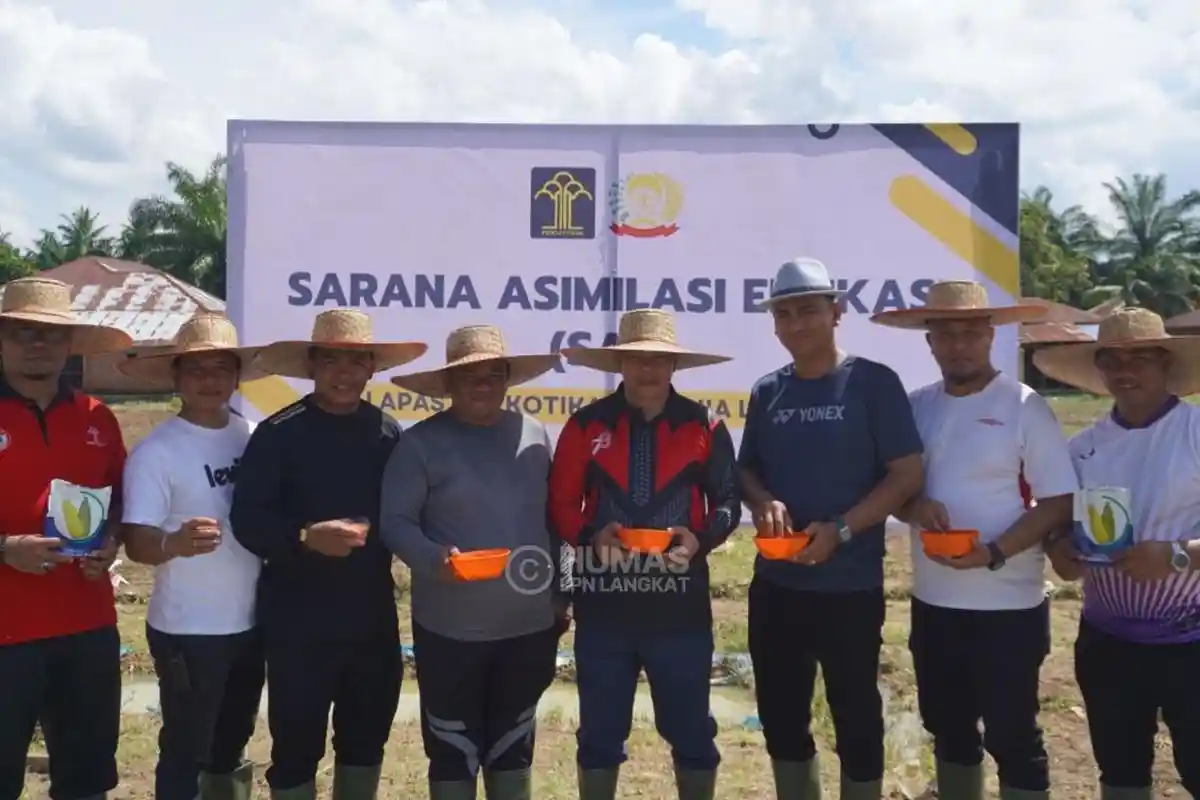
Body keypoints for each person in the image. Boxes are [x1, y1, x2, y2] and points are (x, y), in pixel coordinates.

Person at [871, 281, 1077, 800]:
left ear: (989, 336)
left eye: (969, 333)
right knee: (949, 729)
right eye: (946, 334)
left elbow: (1058, 501)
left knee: (1013, 735)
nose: (958, 345)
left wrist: (995, 553)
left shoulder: (1024, 406)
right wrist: (915, 508)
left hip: (1009, 606)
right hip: (934, 601)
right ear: (929, 342)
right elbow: (893, 491)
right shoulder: (916, 406)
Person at [738, 258, 924, 800]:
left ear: (836, 312)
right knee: (780, 717)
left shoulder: (874, 383)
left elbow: (907, 474)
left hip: (850, 587)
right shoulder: (768, 391)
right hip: (777, 585)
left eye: (809, 310)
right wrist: (763, 501)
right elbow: (746, 470)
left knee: (856, 715)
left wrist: (842, 530)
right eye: (784, 314)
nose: (796, 324)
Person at [229, 309, 427, 800]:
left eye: (356, 361)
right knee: (296, 748)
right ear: (312, 365)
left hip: (371, 618)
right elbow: (247, 519)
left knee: (365, 741)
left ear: (371, 369)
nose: (344, 373)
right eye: (332, 360)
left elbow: (407, 515)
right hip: (298, 621)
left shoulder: (387, 433)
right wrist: (303, 537)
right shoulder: (278, 433)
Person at [548, 308, 740, 800]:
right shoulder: (584, 425)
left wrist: (700, 539)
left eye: (658, 359)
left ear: (675, 364)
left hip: (681, 611)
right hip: (603, 609)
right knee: (598, 737)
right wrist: (592, 539)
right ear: (619, 363)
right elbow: (561, 505)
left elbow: (728, 503)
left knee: (693, 734)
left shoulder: (707, 426)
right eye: (636, 359)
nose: (648, 368)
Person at [380, 324, 566, 800]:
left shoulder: (535, 435)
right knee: (452, 749)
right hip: (450, 631)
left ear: (508, 380)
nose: (482, 385)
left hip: (529, 627)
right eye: (469, 376)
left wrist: (562, 594)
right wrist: (432, 558)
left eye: (493, 374)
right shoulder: (419, 444)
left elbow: (557, 521)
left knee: (513, 747)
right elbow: (395, 523)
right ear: (447, 383)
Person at [1034, 308, 1200, 800]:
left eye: (1140, 358)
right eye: (1112, 359)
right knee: (1121, 773)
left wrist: (1176, 556)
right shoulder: (1082, 448)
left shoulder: (1195, 433)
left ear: (1166, 362)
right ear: (1099, 368)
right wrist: (1058, 548)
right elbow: (1058, 524)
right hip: (1108, 642)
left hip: (1191, 641)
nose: (1125, 370)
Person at [118, 313, 268, 800]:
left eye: (221, 368)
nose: (210, 380)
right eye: (196, 369)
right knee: (187, 748)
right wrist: (172, 544)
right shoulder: (157, 453)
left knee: (233, 741)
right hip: (188, 629)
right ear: (176, 377)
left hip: (251, 623)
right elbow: (137, 542)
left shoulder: (254, 435)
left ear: (237, 376)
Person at [0, 277, 133, 800]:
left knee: (85, 781)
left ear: (70, 344)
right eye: (21, 332)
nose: (37, 344)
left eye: (51, 334)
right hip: (5, 635)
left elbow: (119, 502)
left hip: (86, 628)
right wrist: (5, 549)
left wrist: (111, 542)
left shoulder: (97, 417)